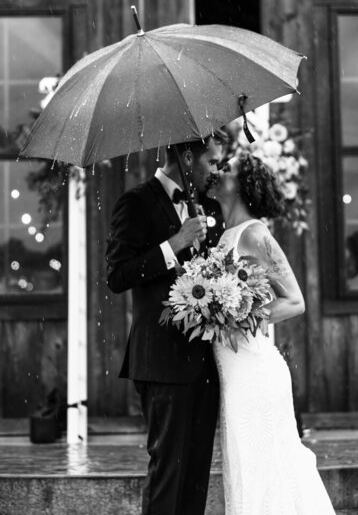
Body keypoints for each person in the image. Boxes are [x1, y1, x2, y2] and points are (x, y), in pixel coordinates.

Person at [206, 154, 336, 515]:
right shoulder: (225, 236)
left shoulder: (255, 234)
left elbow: (294, 300)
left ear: (243, 185)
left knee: (266, 470)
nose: (217, 171)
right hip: (232, 372)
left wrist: (238, 316)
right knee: (244, 470)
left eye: (227, 169)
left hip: (255, 372)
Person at [105, 130, 226, 515]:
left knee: (195, 477)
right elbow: (118, 275)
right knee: (167, 476)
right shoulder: (136, 203)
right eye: (211, 161)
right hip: (160, 362)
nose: (216, 171)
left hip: (205, 364)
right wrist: (174, 243)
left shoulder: (211, 209)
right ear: (187, 159)